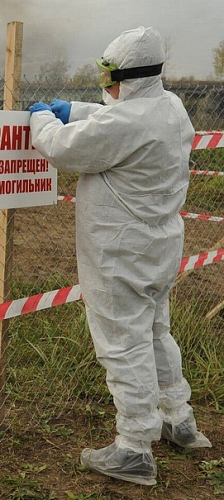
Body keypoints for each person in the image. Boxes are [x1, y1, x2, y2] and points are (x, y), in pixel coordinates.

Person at [28, 26, 211, 486]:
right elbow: (121, 118)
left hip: (120, 255)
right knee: (154, 332)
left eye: (109, 77)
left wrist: (43, 120)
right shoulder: (171, 107)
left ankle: (133, 448)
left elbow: (64, 149)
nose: (104, 86)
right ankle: (179, 420)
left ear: (128, 77)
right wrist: (77, 111)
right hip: (160, 247)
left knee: (122, 343)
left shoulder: (125, 124)